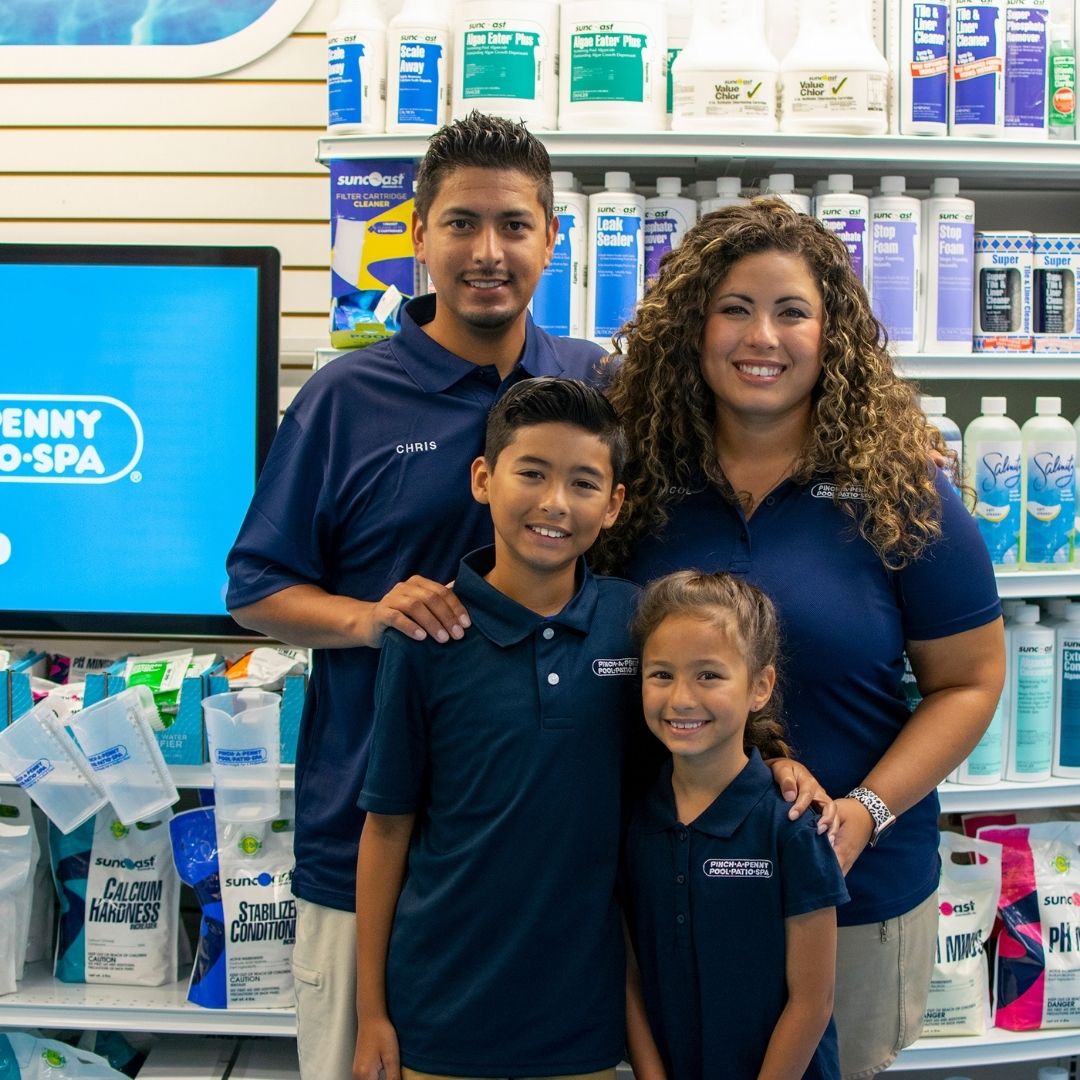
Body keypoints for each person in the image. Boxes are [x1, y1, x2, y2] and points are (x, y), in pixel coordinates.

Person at [225, 112, 607, 1080]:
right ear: (419, 236)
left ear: (552, 239)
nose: (489, 251)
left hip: (540, 859)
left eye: (516, 226)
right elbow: (253, 588)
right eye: (462, 223)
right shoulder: (345, 397)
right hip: (366, 841)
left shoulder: (596, 382)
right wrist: (372, 618)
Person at [597, 198, 1005, 1079]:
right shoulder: (632, 485)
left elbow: (969, 682)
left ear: (833, 335)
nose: (762, 338)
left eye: (792, 312)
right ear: (693, 326)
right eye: (734, 308)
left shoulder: (903, 492)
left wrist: (868, 811)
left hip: (853, 901)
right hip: (664, 900)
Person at [352, 377, 636, 1080]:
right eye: (531, 474)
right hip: (440, 1018)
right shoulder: (424, 635)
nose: (554, 504)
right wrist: (371, 1015)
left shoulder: (640, 623)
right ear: (484, 478)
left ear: (614, 504)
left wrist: (777, 763)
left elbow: (706, 752)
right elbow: (387, 828)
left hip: (589, 1025)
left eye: (582, 483)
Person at [624, 570, 849, 1080]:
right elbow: (629, 977)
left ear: (760, 686)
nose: (681, 698)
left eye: (708, 675)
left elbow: (813, 1002)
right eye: (661, 674)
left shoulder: (791, 827)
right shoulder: (636, 821)